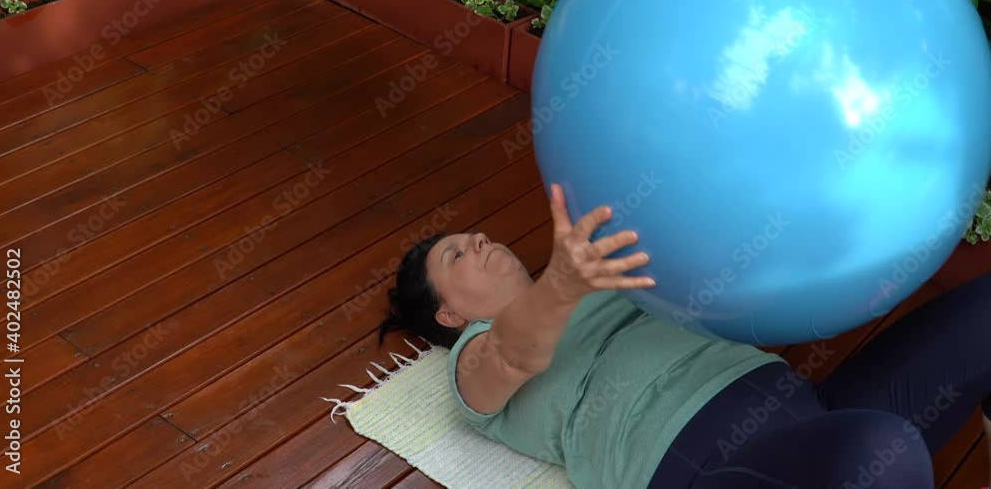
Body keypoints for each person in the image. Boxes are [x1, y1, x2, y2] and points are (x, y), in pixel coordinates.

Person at [378, 183, 991, 489]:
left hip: (808, 416)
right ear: (448, 315)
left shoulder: (595, 276)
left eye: (476, 236)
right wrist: (562, 282)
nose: (478, 240)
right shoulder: (472, 360)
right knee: (885, 451)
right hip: (702, 466)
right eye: (456, 254)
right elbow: (514, 355)